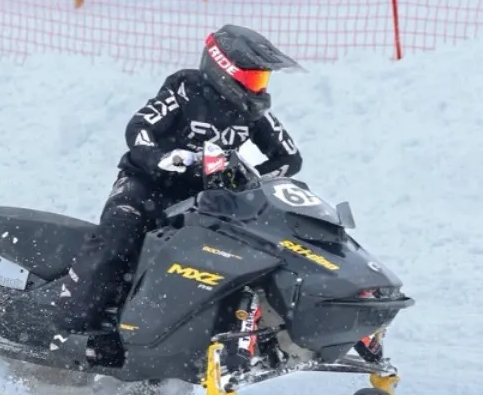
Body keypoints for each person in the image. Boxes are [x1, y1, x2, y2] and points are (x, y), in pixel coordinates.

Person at [52, 24, 304, 337]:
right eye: (252, 78)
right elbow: (139, 128)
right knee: (120, 229)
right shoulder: (185, 88)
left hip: (204, 199)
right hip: (146, 183)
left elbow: (290, 159)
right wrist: (165, 159)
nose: (258, 88)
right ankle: (69, 321)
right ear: (223, 68)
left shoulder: (252, 112)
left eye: (262, 80)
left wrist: (251, 178)